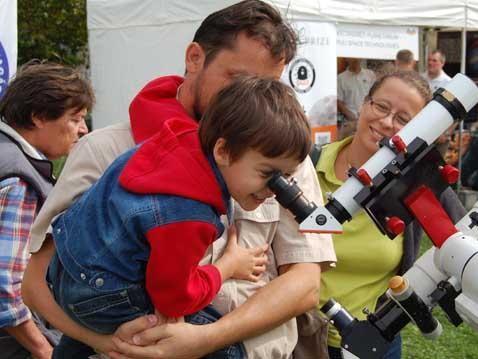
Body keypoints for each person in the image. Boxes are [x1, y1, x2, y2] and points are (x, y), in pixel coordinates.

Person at [22, 1, 336, 358]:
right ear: (194, 58)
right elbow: (36, 282)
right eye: (239, 80)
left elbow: (306, 283)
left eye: (268, 86)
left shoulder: (280, 156)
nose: (253, 100)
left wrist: (207, 339)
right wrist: (108, 343)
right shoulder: (105, 149)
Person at [47, 76, 311, 358]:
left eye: (285, 179)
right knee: (229, 351)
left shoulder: (175, 143)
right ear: (222, 150)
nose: (274, 191)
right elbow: (175, 299)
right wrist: (226, 267)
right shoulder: (189, 213)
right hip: (103, 296)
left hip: (65, 270)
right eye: (267, 174)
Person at [294, 71, 466, 359]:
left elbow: (467, 242)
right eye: (381, 107)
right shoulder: (306, 166)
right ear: (364, 104)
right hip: (300, 341)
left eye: (403, 119)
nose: (386, 123)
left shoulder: (419, 186)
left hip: (373, 344)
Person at [0, 61, 93, 358]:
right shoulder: (19, 179)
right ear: (38, 117)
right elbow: (5, 288)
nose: (83, 130)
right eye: (75, 118)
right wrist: (44, 350)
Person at [337, 58, 376, 124]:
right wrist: (349, 115)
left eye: (357, 57)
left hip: (369, 116)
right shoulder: (340, 78)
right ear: (347, 59)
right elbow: (339, 101)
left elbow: (376, 94)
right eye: (352, 57)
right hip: (351, 119)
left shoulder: (370, 74)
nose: (355, 59)